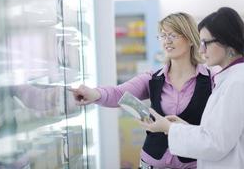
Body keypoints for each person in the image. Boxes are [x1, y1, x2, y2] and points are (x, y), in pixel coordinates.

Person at [71, 13, 212, 169]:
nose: (167, 41)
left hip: (193, 164)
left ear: (190, 39)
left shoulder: (212, 80)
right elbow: (119, 94)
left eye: (173, 35)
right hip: (151, 162)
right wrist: (94, 94)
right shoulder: (152, 78)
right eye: (163, 35)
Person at [140, 7, 244, 169]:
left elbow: (216, 144)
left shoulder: (238, 83)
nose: (201, 50)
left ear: (226, 42)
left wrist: (170, 129)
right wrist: (182, 127)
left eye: (205, 43)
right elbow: (217, 133)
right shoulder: (230, 79)